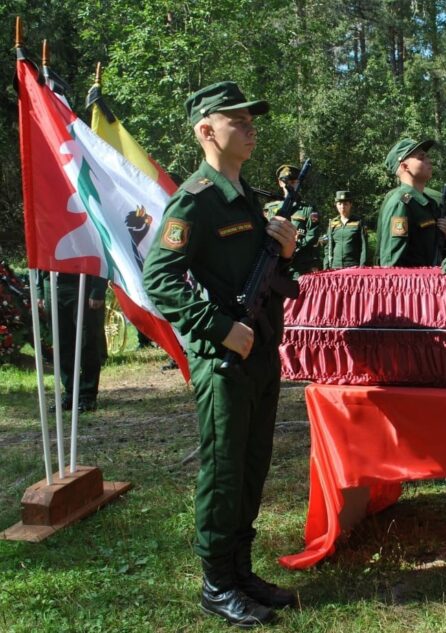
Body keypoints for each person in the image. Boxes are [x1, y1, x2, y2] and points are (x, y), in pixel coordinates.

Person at [142, 81, 297, 627]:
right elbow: (158, 279)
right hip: (224, 358)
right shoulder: (196, 199)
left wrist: (285, 252)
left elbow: (270, 277)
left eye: (253, 119)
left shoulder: (248, 197)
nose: (252, 127)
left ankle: (240, 571)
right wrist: (216, 327)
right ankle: (216, 584)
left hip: (260, 351)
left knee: (253, 466)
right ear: (206, 129)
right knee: (225, 471)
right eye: (239, 120)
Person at [376, 138, 446, 267]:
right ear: (405, 167)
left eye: (427, 156)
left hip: (430, 282)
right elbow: (391, 263)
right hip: (412, 285)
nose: (429, 160)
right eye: (421, 157)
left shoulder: (429, 203)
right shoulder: (401, 203)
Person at [36, 273, 107, 412]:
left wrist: (98, 288)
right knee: (61, 342)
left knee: (87, 341)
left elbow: (100, 253)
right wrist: (40, 289)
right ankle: (71, 393)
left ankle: (87, 395)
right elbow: (39, 253)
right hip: (52, 283)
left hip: (83, 282)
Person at [266, 164, 322, 278]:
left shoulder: (309, 210)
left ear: (298, 183)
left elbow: (313, 234)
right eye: (286, 182)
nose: (290, 186)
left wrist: (292, 247)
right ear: (280, 183)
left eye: (293, 182)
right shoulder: (270, 208)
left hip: (299, 265)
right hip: (275, 264)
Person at [325, 190, 368, 269]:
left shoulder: (358, 222)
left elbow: (364, 247)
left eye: (345, 204)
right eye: (340, 204)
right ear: (336, 205)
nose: (342, 207)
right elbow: (328, 246)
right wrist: (326, 266)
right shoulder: (333, 223)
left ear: (350, 205)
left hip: (353, 266)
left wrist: (362, 266)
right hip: (335, 266)